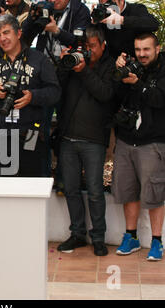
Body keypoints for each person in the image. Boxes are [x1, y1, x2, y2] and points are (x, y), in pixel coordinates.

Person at [55, 26, 116, 256]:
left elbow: (105, 94)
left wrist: (83, 71)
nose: (88, 51)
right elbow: (58, 89)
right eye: (85, 47)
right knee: (70, 189)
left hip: (93, 139)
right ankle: (78, 234)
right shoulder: (73, 63)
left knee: (94, 191)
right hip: (68, 137)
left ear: (102, 45)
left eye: (92, 47)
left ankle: (98, 237)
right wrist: (64, 65)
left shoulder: (109, 67)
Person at [0, 14, 61, 177]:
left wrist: (32, 96)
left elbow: (55, 92)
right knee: (1, 187)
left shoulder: (39, 59)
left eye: (6, 32)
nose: (2, 38)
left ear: (18, 33)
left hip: (31, 132)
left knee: (30, 183)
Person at [23, 0, 91, 184]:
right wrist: (33, 17)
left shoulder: (80, 10)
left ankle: (64, 180)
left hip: (69, 78)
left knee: (66, 131)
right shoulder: (44, 7)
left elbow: (82, 42)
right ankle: (40, 177)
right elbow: (24, 36)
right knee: (37, 128)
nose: (54, 1)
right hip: (42, 77)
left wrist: (57, 31)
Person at [112, 33, 165, 261]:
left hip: (153, 140)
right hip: (126, 139)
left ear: (157, 48)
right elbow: (116, 97)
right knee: (128, 191)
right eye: (138, 49)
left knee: (154, 193)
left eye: (146, 49)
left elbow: (159, 99)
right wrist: (120, 73)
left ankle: (156, 241)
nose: (142, 54)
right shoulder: (132, 67)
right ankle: (131, 236)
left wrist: (138, 84)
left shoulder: (162, 70)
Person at [93, 0, 159, 59]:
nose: (107, 8)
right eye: (102, 4)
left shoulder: (137, 9)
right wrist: (94, 19)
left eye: (108, 4)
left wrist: (122, 20)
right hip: (117, 62)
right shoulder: (104, 18)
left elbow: (154, 24)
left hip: (142, 58)